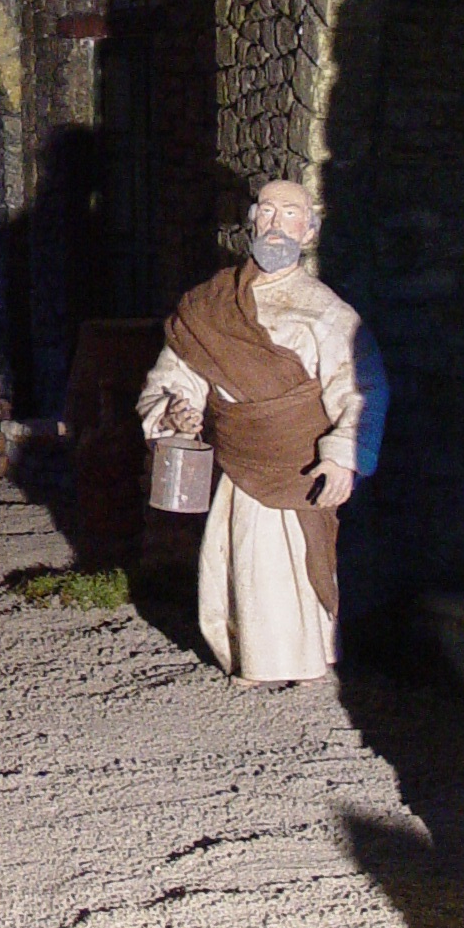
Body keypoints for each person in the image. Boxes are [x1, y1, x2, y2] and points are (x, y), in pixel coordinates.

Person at [137, 179, 386, 686]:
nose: (277, 223)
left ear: (310, 231)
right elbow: (176, 374)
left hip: (296, 464)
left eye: (291, 213)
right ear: (251, 223)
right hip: (238, 463)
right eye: (267, 211)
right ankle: (252, 658)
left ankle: (297, 662)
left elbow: (361, 388)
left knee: (288, 560)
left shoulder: (328, 312)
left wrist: (343, 456)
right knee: (237, 561)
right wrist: (176, 410)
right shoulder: (210, 305)